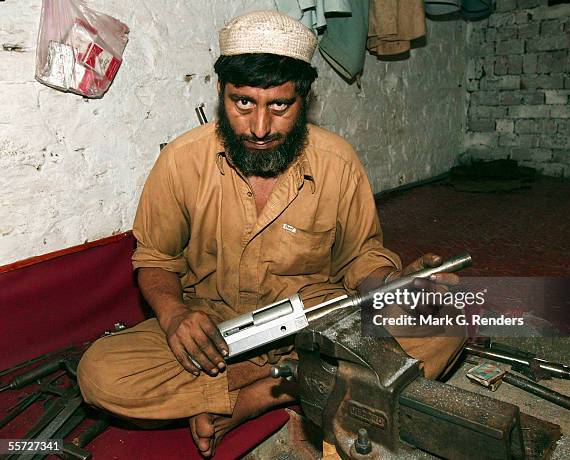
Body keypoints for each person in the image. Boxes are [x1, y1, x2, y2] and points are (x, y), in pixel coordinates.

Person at [77, 10, 465, 458]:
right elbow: (156, 260)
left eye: (279, 106)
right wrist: (174, 316)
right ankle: (308, 383)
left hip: (319, 322)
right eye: (243, 103)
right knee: (101, 374)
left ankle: (254, 397)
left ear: (305, 98)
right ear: (221, 92)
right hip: (218, 333)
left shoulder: (337, 161)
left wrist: (387, 289)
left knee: (450, 308)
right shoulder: (182, 161)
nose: (259, 128)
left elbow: (362, 255)